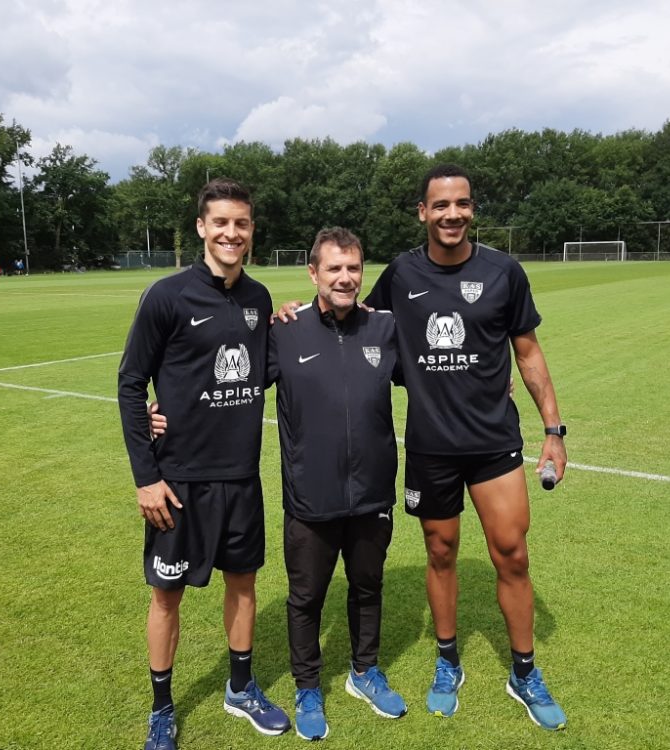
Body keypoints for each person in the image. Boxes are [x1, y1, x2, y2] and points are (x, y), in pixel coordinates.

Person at [363, 164, 569, 731]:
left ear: (471, 209)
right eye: (441, 205)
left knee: (512, 552)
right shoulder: (401, 274)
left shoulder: (503, 272)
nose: (452, 214)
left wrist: (553, 431)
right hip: (431, 445)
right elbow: (358, 326)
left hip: (493, 442)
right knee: (441, 553)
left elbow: (527, 352)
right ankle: (447, 660)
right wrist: (291, 316)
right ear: (423, 213)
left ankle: (523, 671)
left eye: (462, 204)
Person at [118, 178, 290, 750]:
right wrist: (147, 476)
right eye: (220, 223)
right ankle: (162, 707)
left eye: (241, 224)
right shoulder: (167, 296)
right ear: (201, 228)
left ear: (251, 231)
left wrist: (298, 321)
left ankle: (240, 689)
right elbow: (129, 383)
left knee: (243, 583)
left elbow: (260, 369)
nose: (231, 233)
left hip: (240, 475)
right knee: (167, 595)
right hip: (178, 481)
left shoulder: (258, 298)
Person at [268, 228, 407, 740]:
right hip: (311, 494)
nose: (345, 277)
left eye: (353, 268)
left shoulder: (385, 328)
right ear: (313, 274)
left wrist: (488, 380)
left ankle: (364, 672)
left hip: (372, 491)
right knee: (306, 597)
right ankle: (308, 686)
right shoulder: (284, 330)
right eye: (334, 269)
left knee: (368, 587)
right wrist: (162, 407)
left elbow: (436, 372)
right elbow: (227, 383)